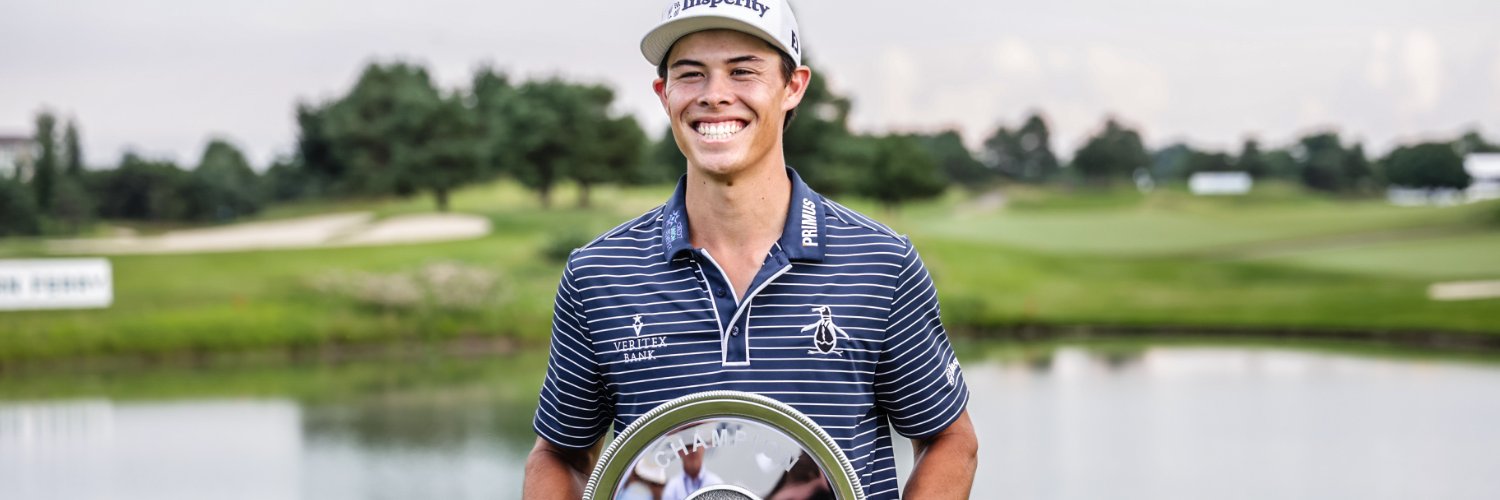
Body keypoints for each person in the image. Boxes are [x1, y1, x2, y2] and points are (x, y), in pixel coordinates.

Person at [523, 1, 977, 498]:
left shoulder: (881, 263)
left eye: (743, 71)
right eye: (691, 74)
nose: (715, 96)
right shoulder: (600, 273)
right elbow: (559, 455)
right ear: (663, 93)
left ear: (793, 87)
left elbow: (949, 439)